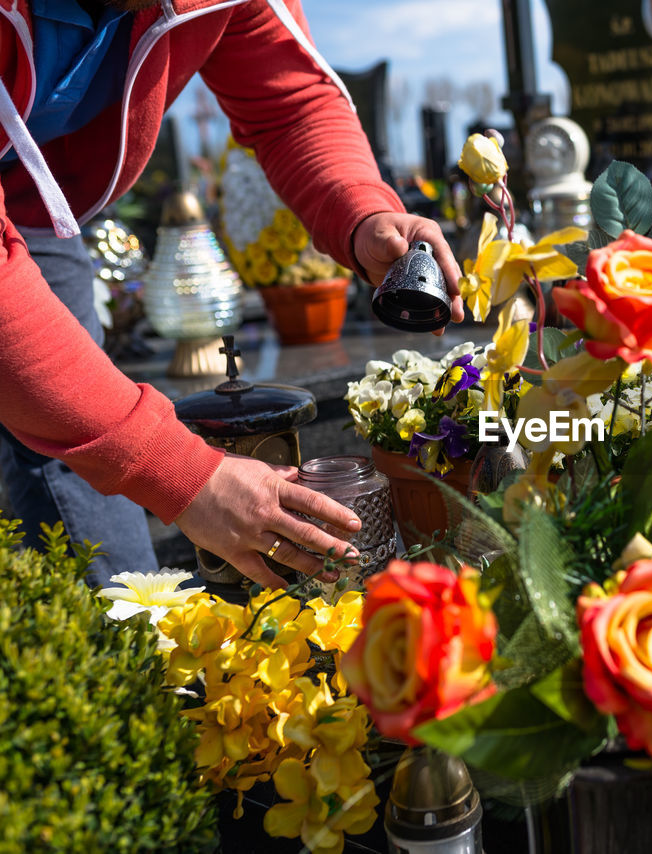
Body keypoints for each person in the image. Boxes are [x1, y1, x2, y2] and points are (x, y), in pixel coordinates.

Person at [0, 0, 464, 588]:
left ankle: (130, 657)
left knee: (74, 451)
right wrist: (182, 473)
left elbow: (289, 106)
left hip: (35, 211)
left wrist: (361, 210)